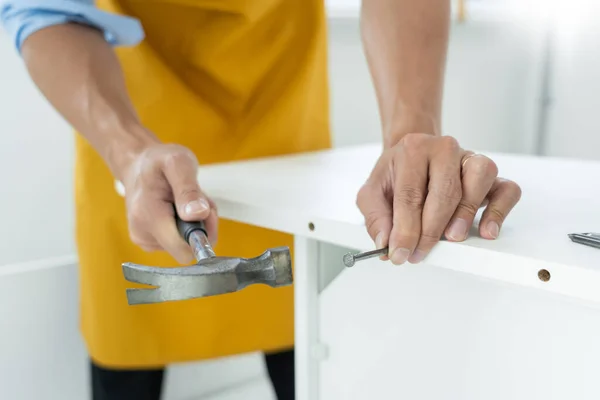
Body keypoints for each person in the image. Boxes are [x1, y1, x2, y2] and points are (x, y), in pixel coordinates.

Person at [1, 0, 522, 399]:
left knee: (313, 358)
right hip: (133, 141)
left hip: (284, 142)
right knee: (126, 366)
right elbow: (43, 9)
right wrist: (127, 150)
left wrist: (411, 133)